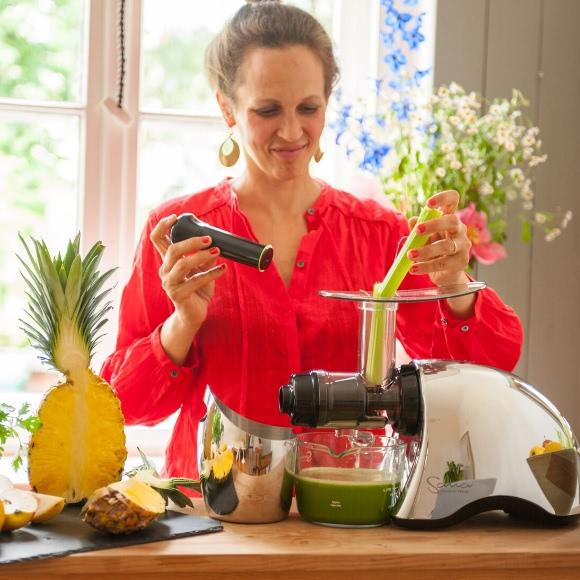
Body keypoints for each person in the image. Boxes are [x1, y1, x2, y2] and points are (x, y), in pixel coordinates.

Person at [102, 0, 522, 481]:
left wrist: (453, 283)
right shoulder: (181, 231)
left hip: (347, 504)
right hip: (214, 511)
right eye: (267, 110)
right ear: (227, 108)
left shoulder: (379, 233)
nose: (291, 130)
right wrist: (182, 324)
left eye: (309, 108)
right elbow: (125, 406)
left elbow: (487, 368)